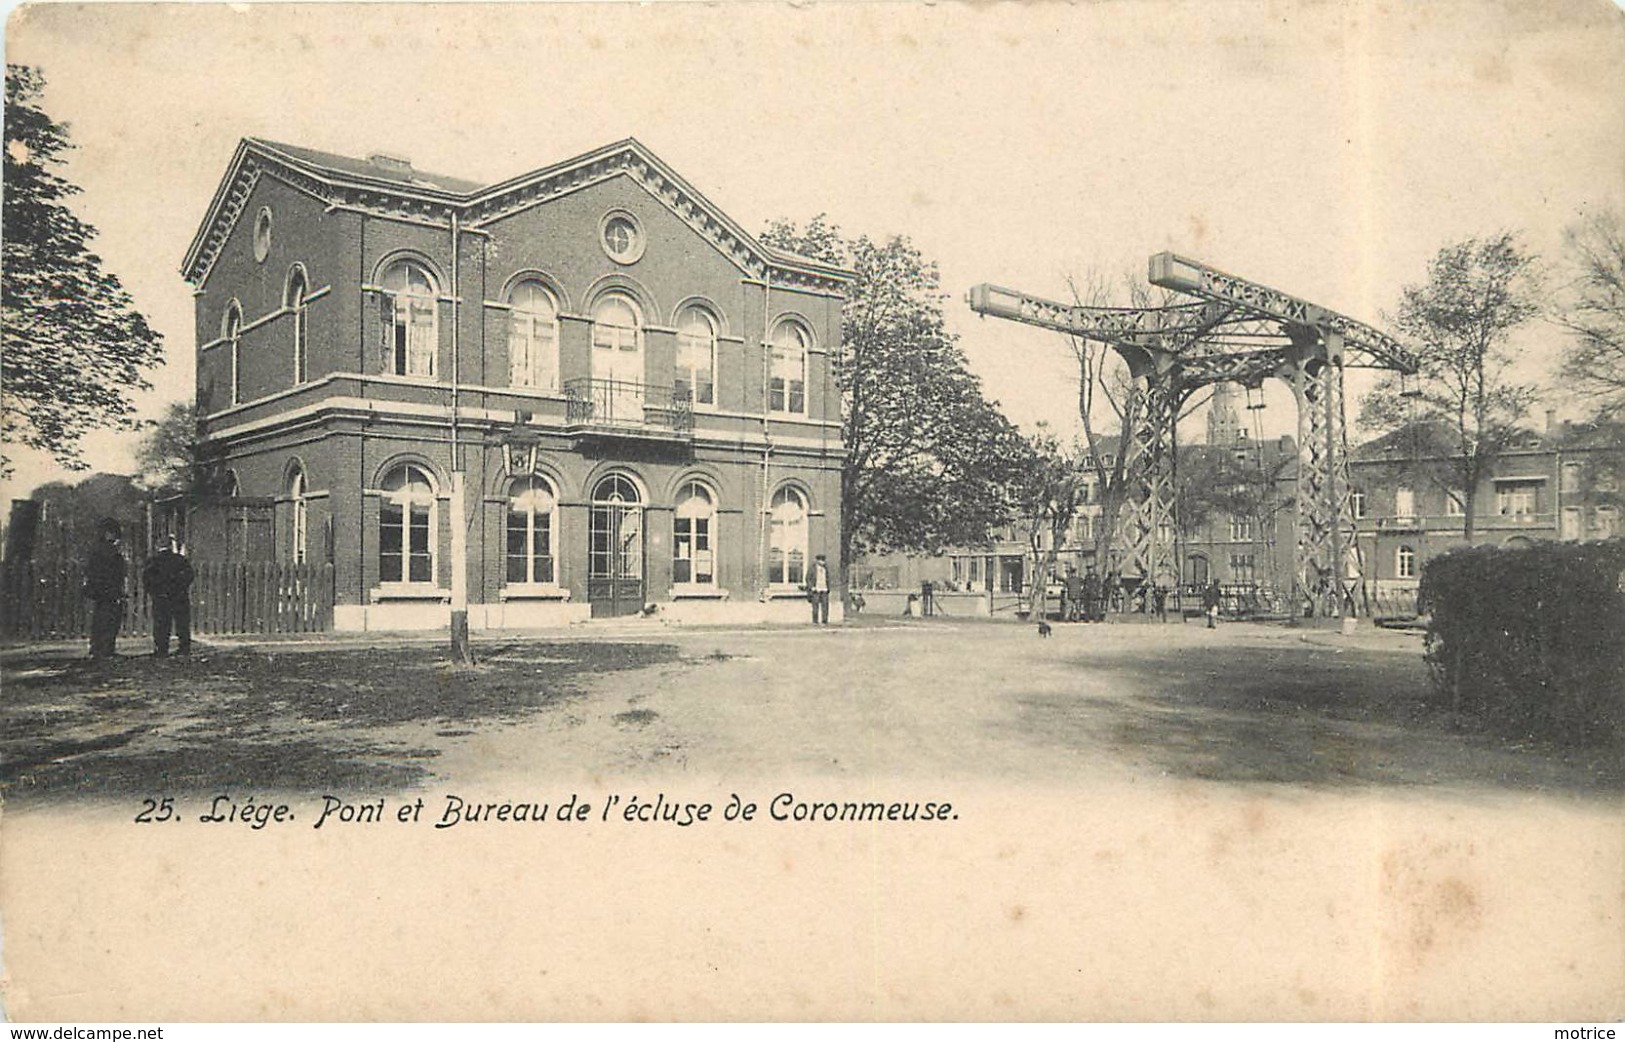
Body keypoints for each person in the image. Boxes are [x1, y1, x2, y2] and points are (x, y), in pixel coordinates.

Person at [142, 536, 196, 658]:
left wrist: (154, 592)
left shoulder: (153, 561)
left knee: (161, 624)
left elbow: (147, 579)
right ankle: (184, 649)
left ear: (157, 547)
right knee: (182, 623)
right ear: (171, 546)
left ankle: (161, 650)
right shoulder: (180, 560)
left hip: (161, 597)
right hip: (179, 596)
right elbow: (189, 576)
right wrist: (180, 588)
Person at [83, 518, 126, 659]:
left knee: (99, 619)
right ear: (109, 533)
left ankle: (97, 649)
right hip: (110, 590)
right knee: (110, 620)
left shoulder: (96, 549)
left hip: (99, 590)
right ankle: (106, 650)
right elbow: (118, 571)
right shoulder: (110, 550)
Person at [806, 553, 832, 625]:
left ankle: (824, 621)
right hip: (816, 590)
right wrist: (812, 587)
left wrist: (828, 587)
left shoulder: (825, 569)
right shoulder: (812, 568)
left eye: (823, 560)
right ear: (817, 561)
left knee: (825, 606)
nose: (822, 562)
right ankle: (815, 621)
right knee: (815, 606)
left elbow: (828, 578)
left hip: (824, 589)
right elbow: (808, 578)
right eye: (820, 560)